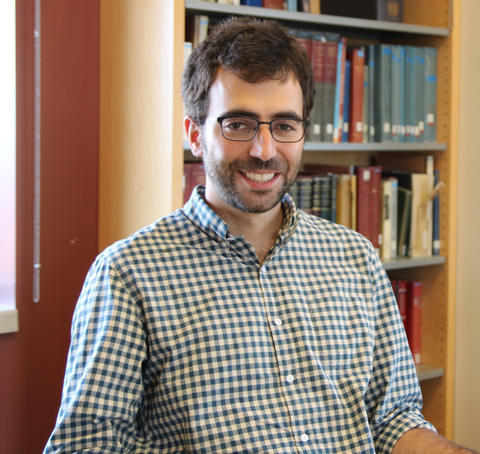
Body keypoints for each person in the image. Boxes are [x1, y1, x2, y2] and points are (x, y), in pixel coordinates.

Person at [44, 17, 477, 454]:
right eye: (239, 124)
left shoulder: (355, 258)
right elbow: (86, 446)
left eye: (284, 126)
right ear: (195, 134)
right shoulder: (128, 274)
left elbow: (392, 420)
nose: (264, 150)